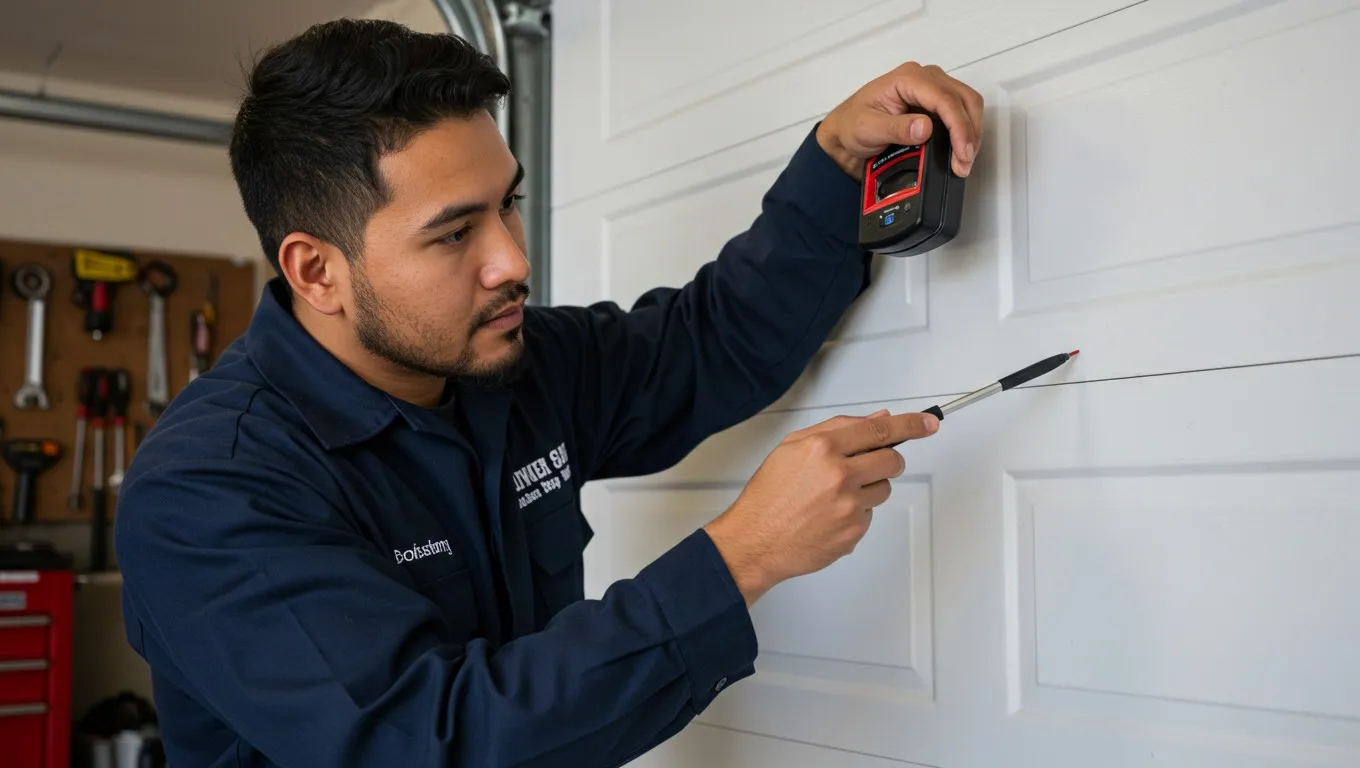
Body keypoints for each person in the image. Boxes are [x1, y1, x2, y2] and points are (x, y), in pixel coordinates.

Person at [113, 17, 983, 767]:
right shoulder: (211, 490)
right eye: (454, 233)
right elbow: (433, 741)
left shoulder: (511, 362)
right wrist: (740, 559)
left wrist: (836, 165)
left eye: (509, 203)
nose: (512, 260)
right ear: (316, 271)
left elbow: (709, 343)